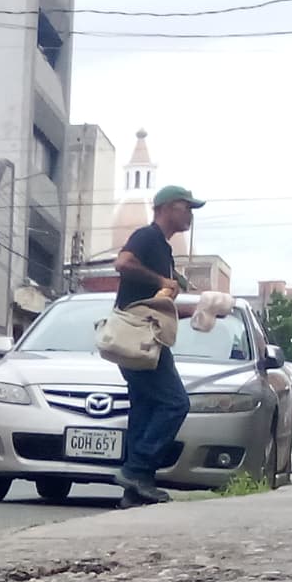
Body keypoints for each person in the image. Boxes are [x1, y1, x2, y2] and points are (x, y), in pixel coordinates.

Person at [111, 183, 201, 506]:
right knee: (175, 403)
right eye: (186, 207)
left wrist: (200, 310)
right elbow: (122, 264)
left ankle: (135, 490)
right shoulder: (147, 237)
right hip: (138, 336)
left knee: (145, 408)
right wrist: (162, 280)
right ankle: (137, 469)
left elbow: (156, 302)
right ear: (166, 207)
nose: (190, 214)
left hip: (148, 336)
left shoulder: (163, 250)